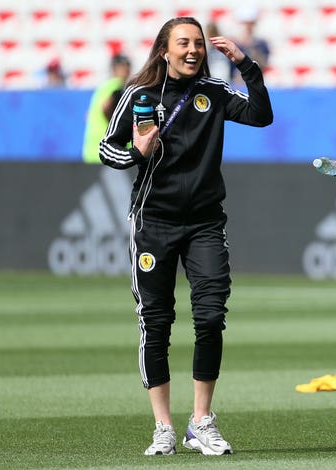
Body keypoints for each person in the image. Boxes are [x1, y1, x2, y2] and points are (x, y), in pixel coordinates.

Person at [99, 16, 273, 456]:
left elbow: (261, 115)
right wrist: (136, 151)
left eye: (198, 43)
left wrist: (245, 65)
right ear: (164, 50)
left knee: (211, 316)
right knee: (156, 323)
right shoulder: (139, 96)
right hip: (153, 222)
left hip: (204, 222)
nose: (194, 50)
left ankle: (201, 421)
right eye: (184, 43)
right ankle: (163, 427)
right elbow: (107, 149)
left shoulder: (214, 92)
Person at [82, 54, 132, 163]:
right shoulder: (116, 86)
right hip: (108, 150)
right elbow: (106, 108)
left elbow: (87, 115)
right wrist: (120, 131)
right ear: (115, 69)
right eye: (124, 66)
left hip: (92, 150)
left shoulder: (102, 88)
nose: (127, 69)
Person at [231, 6, 270, 85]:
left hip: (256, 80)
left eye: (250, 23)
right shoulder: (235, 44)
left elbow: (263, 64)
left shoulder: (261, 44)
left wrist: (251, 46)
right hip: (238, 82)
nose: (248, 26)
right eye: (245, 23)